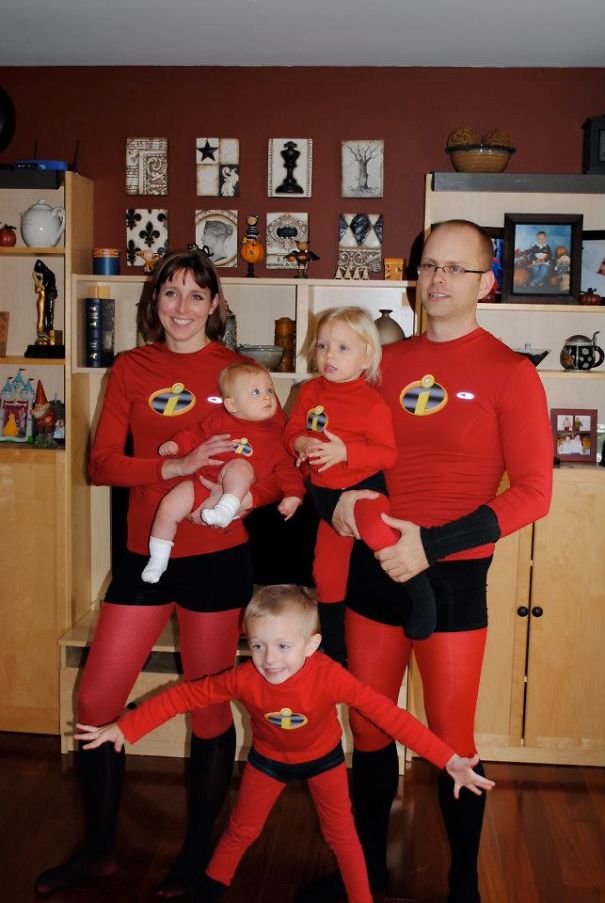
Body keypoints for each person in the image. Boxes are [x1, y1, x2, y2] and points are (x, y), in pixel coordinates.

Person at [299, 220, 553, 903]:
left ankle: (463, 882)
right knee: (370, 725)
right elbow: (328, 456)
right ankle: (364, 874)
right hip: (372, 569)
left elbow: (534, 493)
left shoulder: (511, 372)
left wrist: (429, 545)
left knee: (450, 739)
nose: (437, 279)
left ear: (485, 282)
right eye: (428, 266)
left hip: (451, 576)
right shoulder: (379, 363)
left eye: (454, 268)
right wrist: (337, 510)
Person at [34, 249, 283, 899]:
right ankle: (97, 848)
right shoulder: (130, 367)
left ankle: (198, 852)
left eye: (195, 295)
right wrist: (177, 466)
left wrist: (244, 493)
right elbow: (103, 464)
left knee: (205, 708)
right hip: (147, 554)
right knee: (95, 700)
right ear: (154, 302)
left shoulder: (239, 371)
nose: (181, 307)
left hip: (218, 559)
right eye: (169, 293)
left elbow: (274, 458)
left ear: (215, 305)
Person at [75, 585, 494, 903]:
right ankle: (208, 892)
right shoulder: (245, 677)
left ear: (312, 645)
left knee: (344, 837)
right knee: (240, 831)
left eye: (282, 646)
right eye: (257, 645)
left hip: (324, 762)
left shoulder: (331, 676)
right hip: (268, 762)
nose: (269, 659)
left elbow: (391, 717)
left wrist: (448, 759)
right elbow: (185, 695)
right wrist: (125, 729)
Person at [283, 306, 437, 664]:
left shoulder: (370, 403)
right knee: (326, 572)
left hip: (365, 485)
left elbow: (387, 454)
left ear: (366, 355)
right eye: (322, 346)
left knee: (374, 529)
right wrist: (300, 444)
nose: (329, 356)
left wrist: (345, 452)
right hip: (326, 496)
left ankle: (421, 593)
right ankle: (334, 648)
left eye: (342, 348)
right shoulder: (307, 392)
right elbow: (291, 432)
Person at [142, 361, 304, 582]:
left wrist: (294, 495)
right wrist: (176, 445)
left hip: (239, 494)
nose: (267, 396)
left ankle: (225, 509)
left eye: (269, 390)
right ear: (232, 404)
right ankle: (158, 562)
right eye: (256, 392)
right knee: (168, 506)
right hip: (203, 480)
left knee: (239, 465)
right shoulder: (219, 419)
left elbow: (289, 470)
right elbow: (194, 434)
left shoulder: (277, 434)